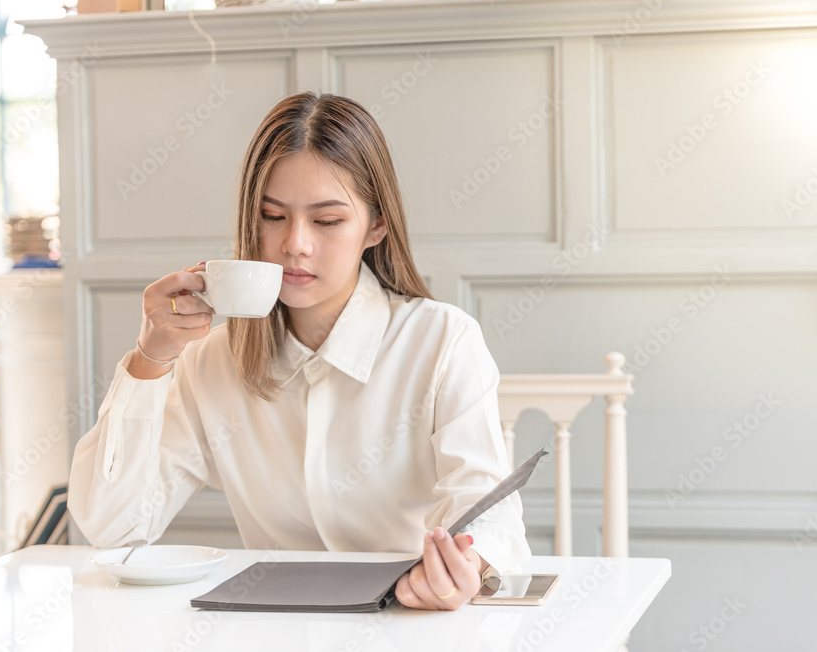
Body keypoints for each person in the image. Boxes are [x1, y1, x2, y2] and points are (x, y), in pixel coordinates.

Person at [68, 91, 531, 611]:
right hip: (274, 628)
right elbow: (113, 528)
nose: (295, 244)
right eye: (272, 216)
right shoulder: (211, 362)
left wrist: (466, 568)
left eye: (327, 221)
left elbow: (488, 513)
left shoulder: (441, 341)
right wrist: (149, 362)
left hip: (410, 622)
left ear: (375, 226)